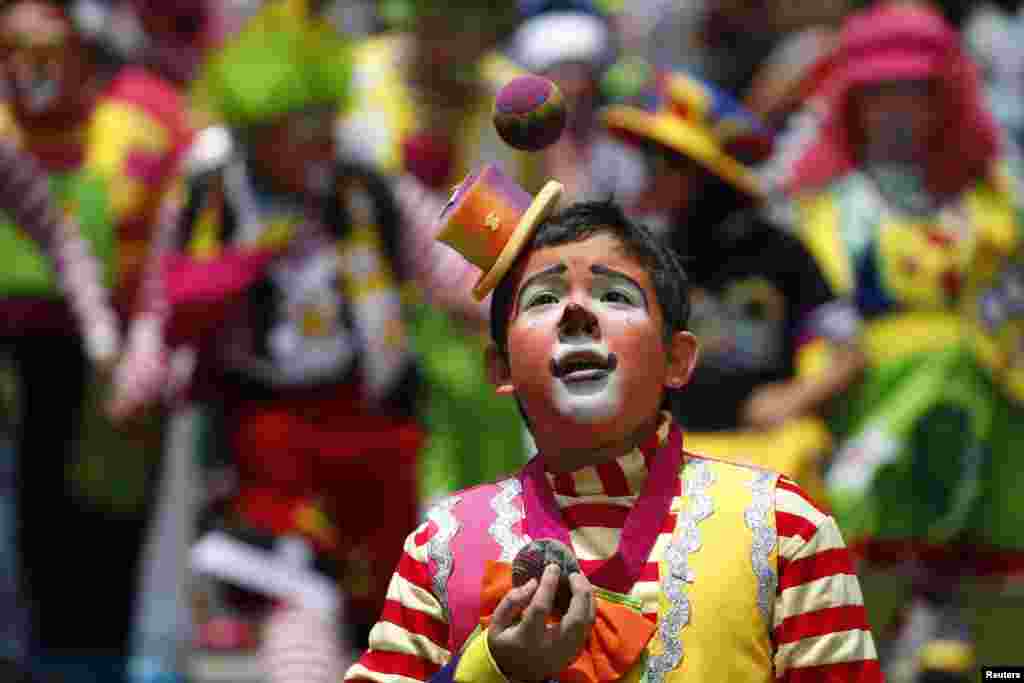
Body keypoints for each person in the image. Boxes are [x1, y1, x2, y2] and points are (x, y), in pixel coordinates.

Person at [344, 162, 881, 683]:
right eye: (545, 299)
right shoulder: (442, 545)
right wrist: (490, 670)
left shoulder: (783, 530)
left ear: (677, 359)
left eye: (615, 296)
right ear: (501, 367)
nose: (577, 313)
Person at [113, 2, 424, 675]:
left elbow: (436, 249)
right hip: (264, 433)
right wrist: (142, 364)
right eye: (300, 128)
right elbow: (168, 293)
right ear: (259, 130)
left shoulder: (362, 181)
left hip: (367, 423)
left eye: (325, 123)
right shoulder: (214, 187)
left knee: (379, 604)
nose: (320, 141)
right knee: (295, 597)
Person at [786, 3, 1024, 680]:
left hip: (994, 413)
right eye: (879, 94)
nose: (895, 110)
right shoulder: (825, 205)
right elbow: (810, 320)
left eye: (914, 93)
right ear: (854, 102)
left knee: (1003, 595)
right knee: (865, 579)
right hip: (870, 405)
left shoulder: (998, 200)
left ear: (944, 99)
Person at [0, 1, 192, 680]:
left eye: (50, 46)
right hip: (19, 363)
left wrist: (135, 339)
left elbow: (87, 243)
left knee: (95, 534)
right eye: (14, 47)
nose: (34, 66)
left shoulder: (152, 116)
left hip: (99, 365)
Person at [596, 70, 865, 506]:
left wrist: (794, 398)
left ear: (703, 175)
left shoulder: (780, 251)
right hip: (666, 452)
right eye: (647, 159)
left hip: (767, 453)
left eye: (661, 162)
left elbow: (850, 352)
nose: (646, 175)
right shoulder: (641, 258)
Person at [336, 0, 538, 503]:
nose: (461, 40)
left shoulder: (513, 97)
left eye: (479, 23)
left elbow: (535, 217)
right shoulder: (352, 80)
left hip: (477, 359)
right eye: (444, 19)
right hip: (362, 353)